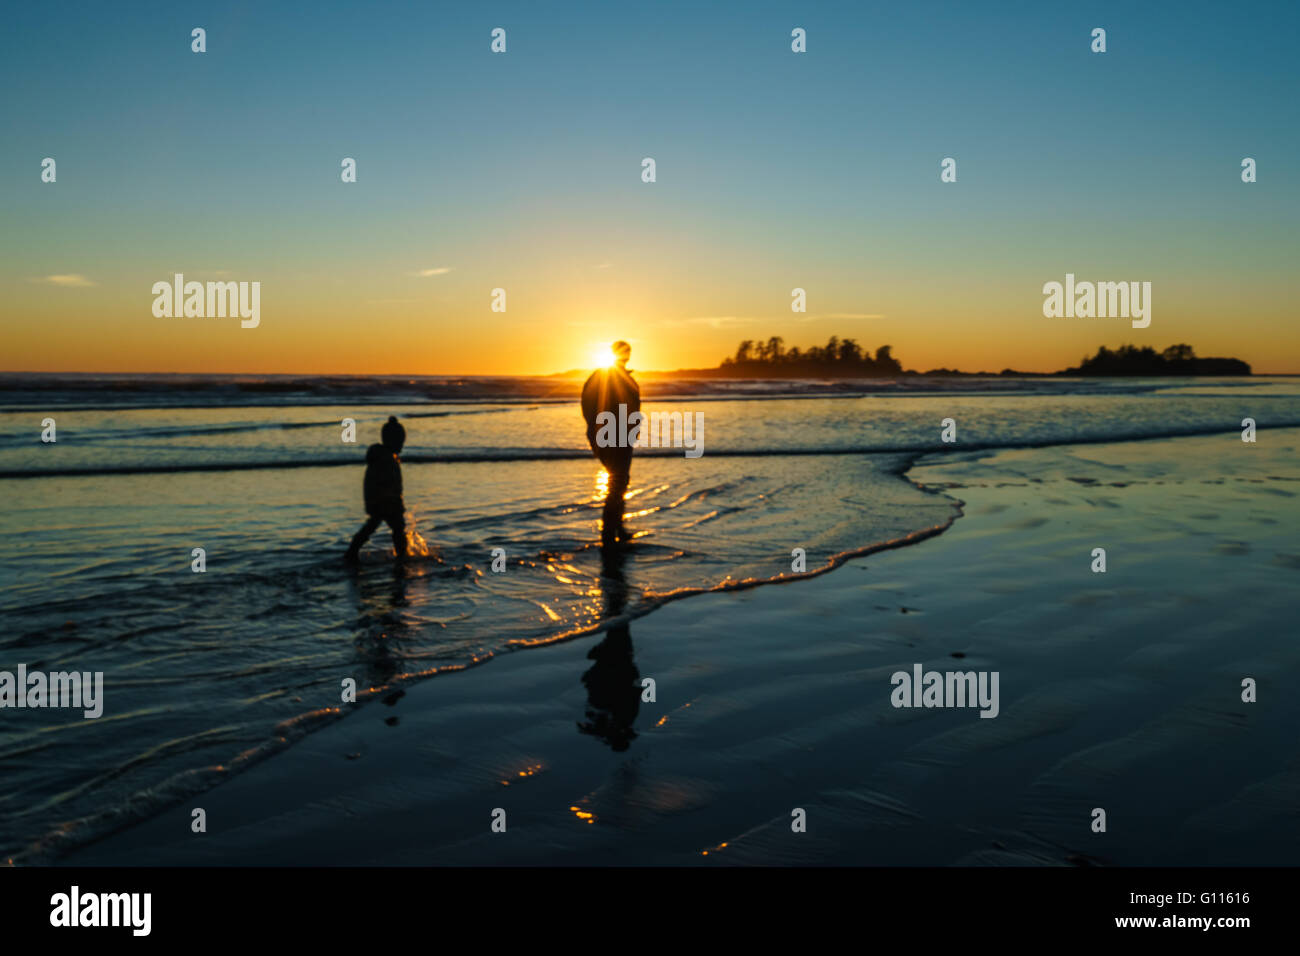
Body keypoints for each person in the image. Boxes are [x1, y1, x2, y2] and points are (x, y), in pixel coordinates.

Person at [582, 340, 640, 546]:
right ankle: (608, 534)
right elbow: (588, 405)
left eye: (628, 352)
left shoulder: (626, 378)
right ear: (615, 353)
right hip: (609, 437)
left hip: (623, 437)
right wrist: (595, 430)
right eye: (622, 352)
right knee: (617, 482)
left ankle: (617, 528)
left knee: (620, 481)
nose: (626, 355)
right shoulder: (602, 377)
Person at [344, 416, 408, 562]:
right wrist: (396, 502)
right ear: (392, 440)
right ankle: (402, 556)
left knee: (373, 526)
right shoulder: (386, 459)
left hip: (378, 500)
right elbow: (389, 483)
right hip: (386, 501)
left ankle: (352, 551)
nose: (401, 445)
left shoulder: (383, 457)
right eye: (400, 441)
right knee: (397, 529)